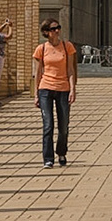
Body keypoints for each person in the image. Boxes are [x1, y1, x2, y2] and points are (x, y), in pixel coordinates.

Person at [33, 18, 77, 166]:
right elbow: (38, 73)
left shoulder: (67, 46)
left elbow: (71, 70)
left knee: (63, 125)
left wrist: (73, 89)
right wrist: (36, 94)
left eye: (58, 27)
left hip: (63, 89)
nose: (57, 31)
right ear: (46, 32)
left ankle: (62, 153)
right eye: (53, 29)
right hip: (45, 88)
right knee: (48, 125)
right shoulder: (41, 49)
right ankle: (48, 159)